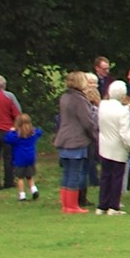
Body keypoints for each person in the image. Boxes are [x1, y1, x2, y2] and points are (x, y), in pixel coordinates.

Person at [55, 71, 96, 213]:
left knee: (66, 173)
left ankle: (66, 204)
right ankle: (72, 206)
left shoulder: (65, 97)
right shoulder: (79, 99)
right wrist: (94, 136)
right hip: (76, 140)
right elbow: (87, 122)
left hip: (64, 138)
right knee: (75, 173)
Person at [96, 80, 130, 214]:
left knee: (105, 176)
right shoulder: (122, 111)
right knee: (117, 177)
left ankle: (102, 205)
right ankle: (113, 206)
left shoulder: (103, 105)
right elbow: (125, 133)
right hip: (118, 147)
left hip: (105, 145)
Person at [4, 113, 44, 202]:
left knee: (20, 177)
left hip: (20, 159)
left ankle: (22, 195)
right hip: (30, 158)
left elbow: (7, 139)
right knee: (30, 176)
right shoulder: (33, 134)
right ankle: (34, 189)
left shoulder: (16, 136)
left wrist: (12, 131)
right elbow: (40, 131)